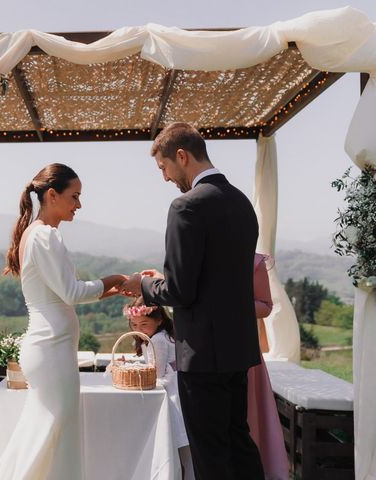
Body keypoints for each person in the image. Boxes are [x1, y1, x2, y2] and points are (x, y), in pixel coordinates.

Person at [120, 122, 264, 479]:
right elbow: (217, 279)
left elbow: (181, 292)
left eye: (164, 168)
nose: (166, 178)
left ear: (181, 156)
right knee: (239, 441)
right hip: (237, 349)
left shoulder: (186, 207)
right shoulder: (242, 202)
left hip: (202, 354)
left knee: (210, 454)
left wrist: (145, 284)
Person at [0, 163, 126, 480]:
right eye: (74, 196)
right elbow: (72, 292)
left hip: (52, 349)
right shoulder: (45, 236)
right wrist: (114, 279)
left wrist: (111, 290)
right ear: (52, 195)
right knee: (50, 436)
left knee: (48, 435)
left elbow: (64, 293)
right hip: (50, 350)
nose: (79, 205)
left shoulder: (37, 235)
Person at [125, 297, 194, 480]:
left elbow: (157, 376)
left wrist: (136, 372)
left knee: (185, 452)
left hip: (174, 396)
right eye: (134, 324)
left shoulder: (158, 340)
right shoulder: (157, 337)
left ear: (159, 320)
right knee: (187, 453)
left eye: (144, 323)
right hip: (179, 391)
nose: (139, 329)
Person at [247, 254, 290, 480]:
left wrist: (229, 301)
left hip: (242, 350)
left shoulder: (254, 262)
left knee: (247, 416)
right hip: (204, 352)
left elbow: (265, 306)